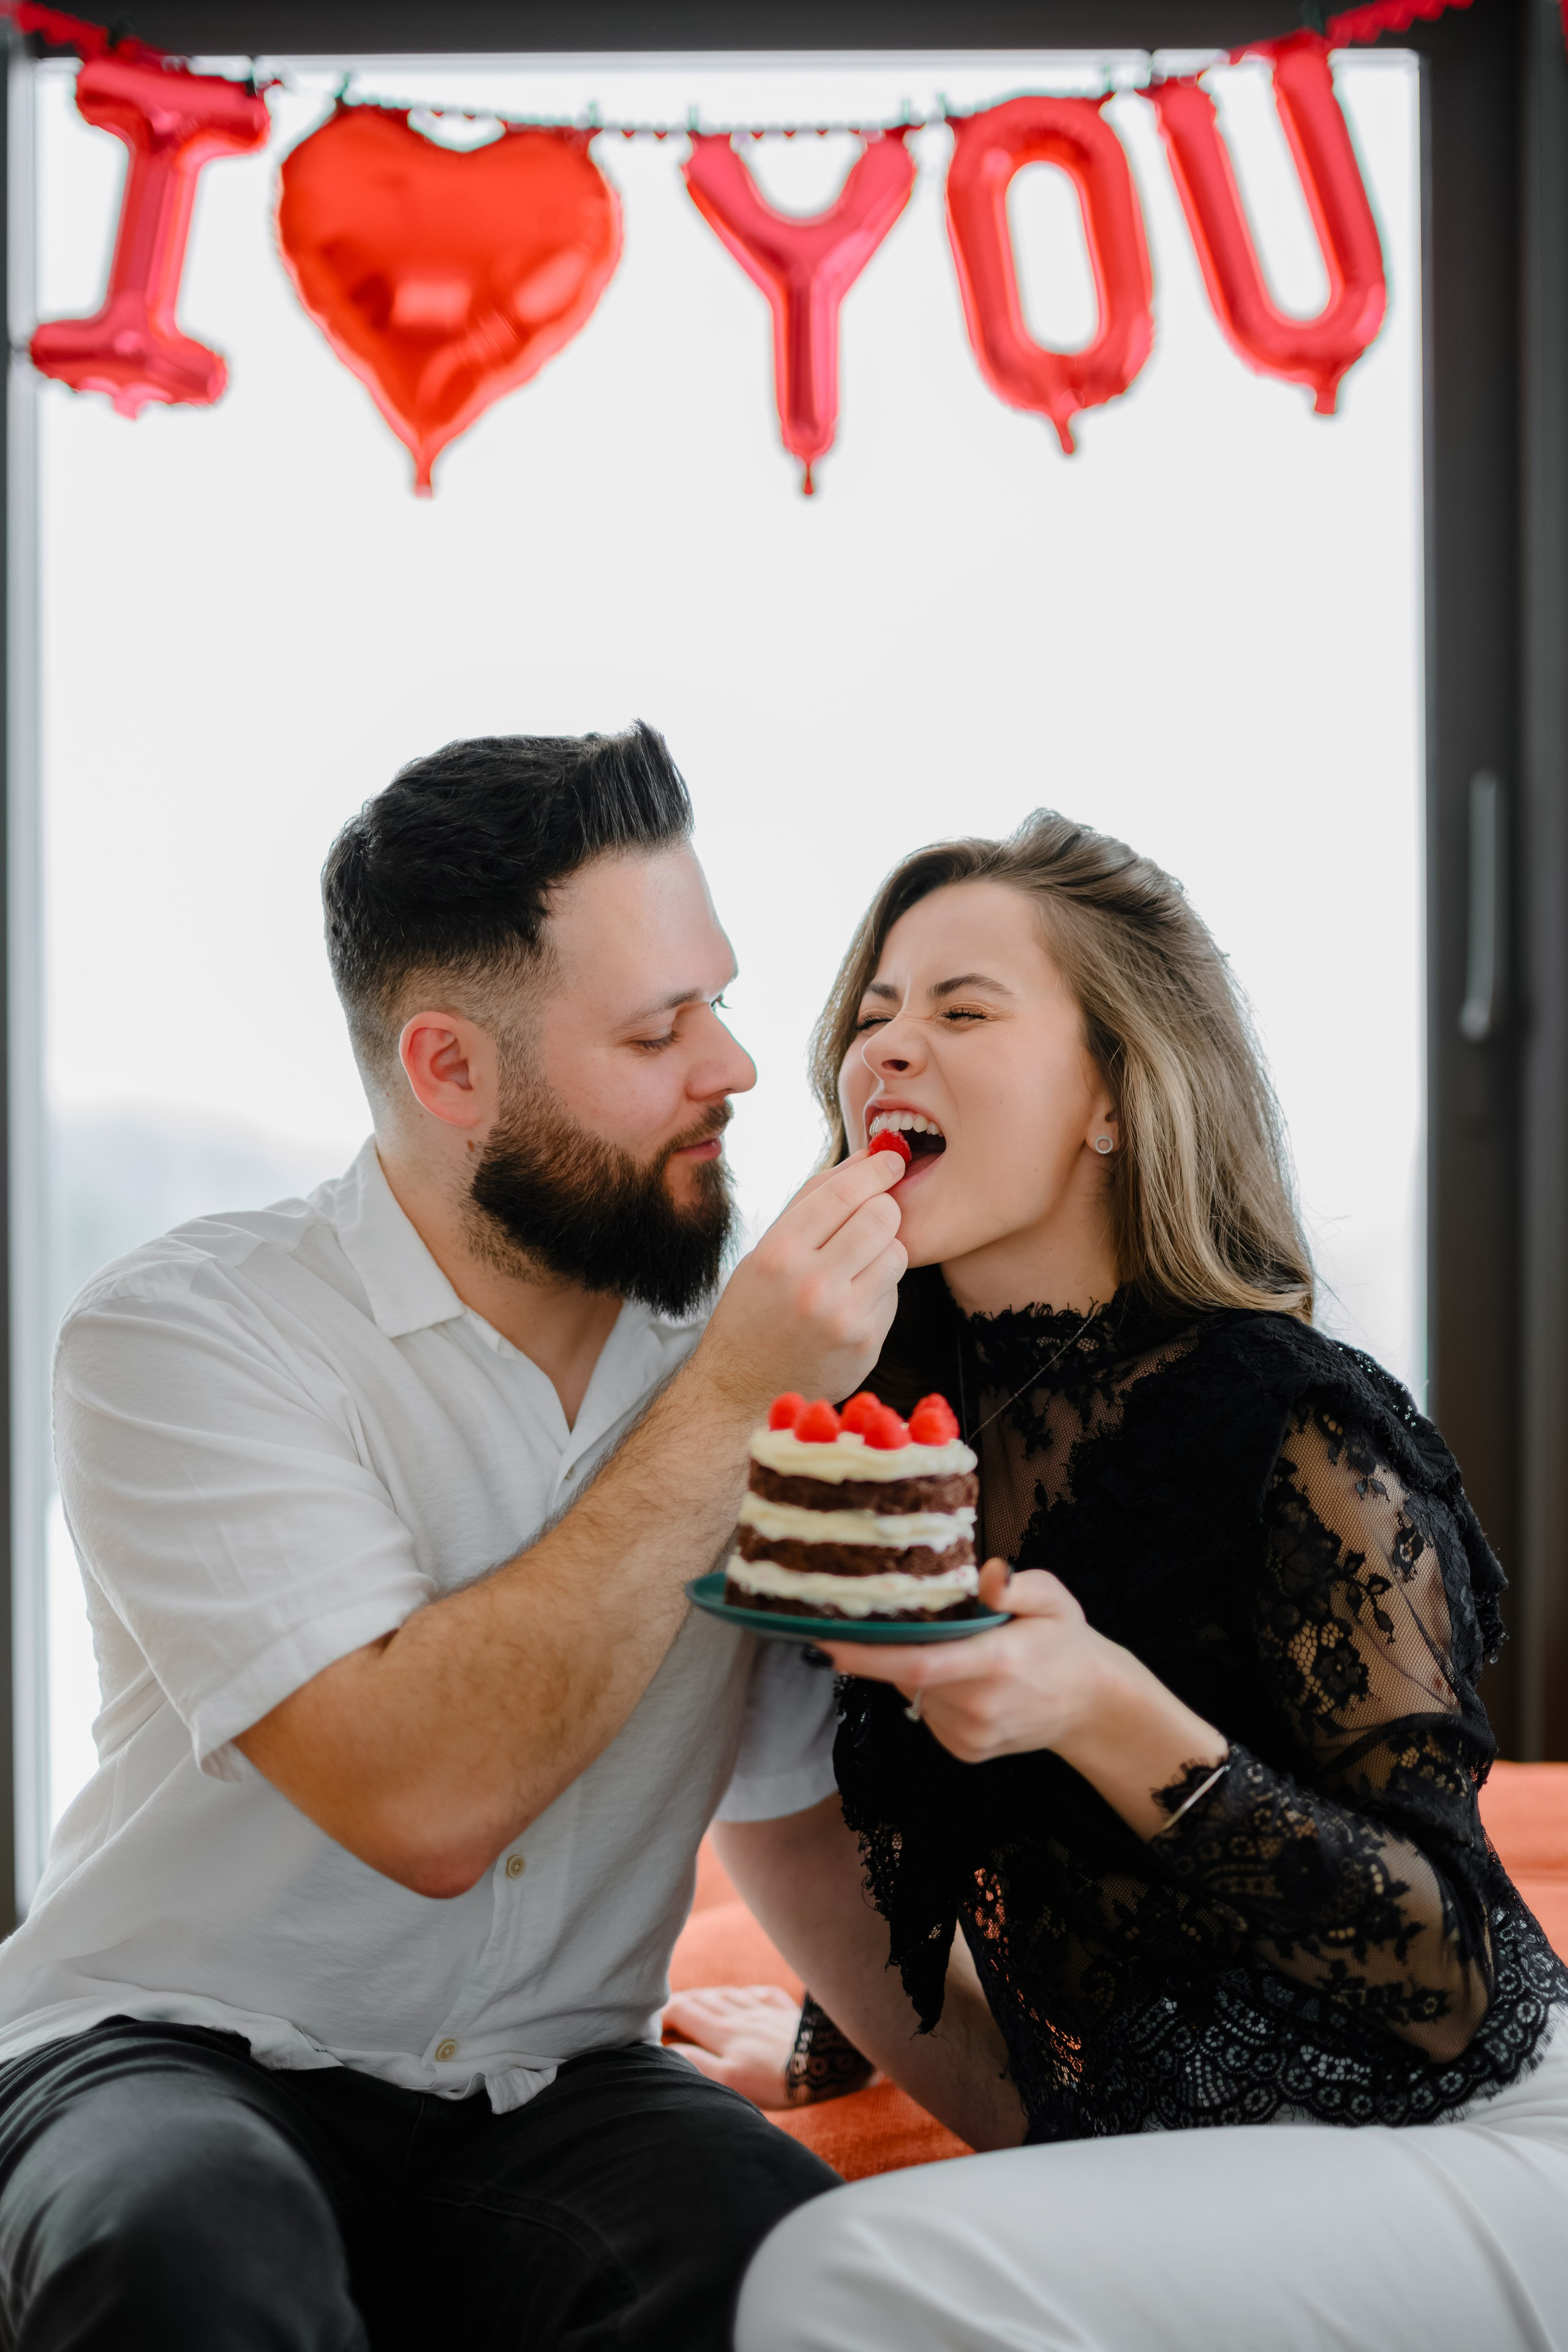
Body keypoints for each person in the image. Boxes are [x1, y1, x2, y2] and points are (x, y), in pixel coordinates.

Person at [0, 723, 917, 2351]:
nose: (736, 1067)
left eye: (717, 998)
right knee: (189, 2247)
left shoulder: (752, 1351)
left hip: (557, 2086)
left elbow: (788, 1826)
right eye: (658, 1029)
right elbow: (421, 1801)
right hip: (172, 2048)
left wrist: (1075, 2124)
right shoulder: (186, 1336)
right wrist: (727, 1408)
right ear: (450, 1069)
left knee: (784, 2264)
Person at [701, 812, 1568, 2352]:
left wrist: (1107, 1709)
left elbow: (1447, 1981)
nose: (886, 1050)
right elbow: (950, 1826)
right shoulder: (900, 1423)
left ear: (1110, 1095)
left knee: (839, 2272)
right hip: (1203, 2155)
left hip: (1469, 2136)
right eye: (872, 1015)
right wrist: (838, 2044)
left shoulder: (1287, 1418)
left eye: (962, 1011)